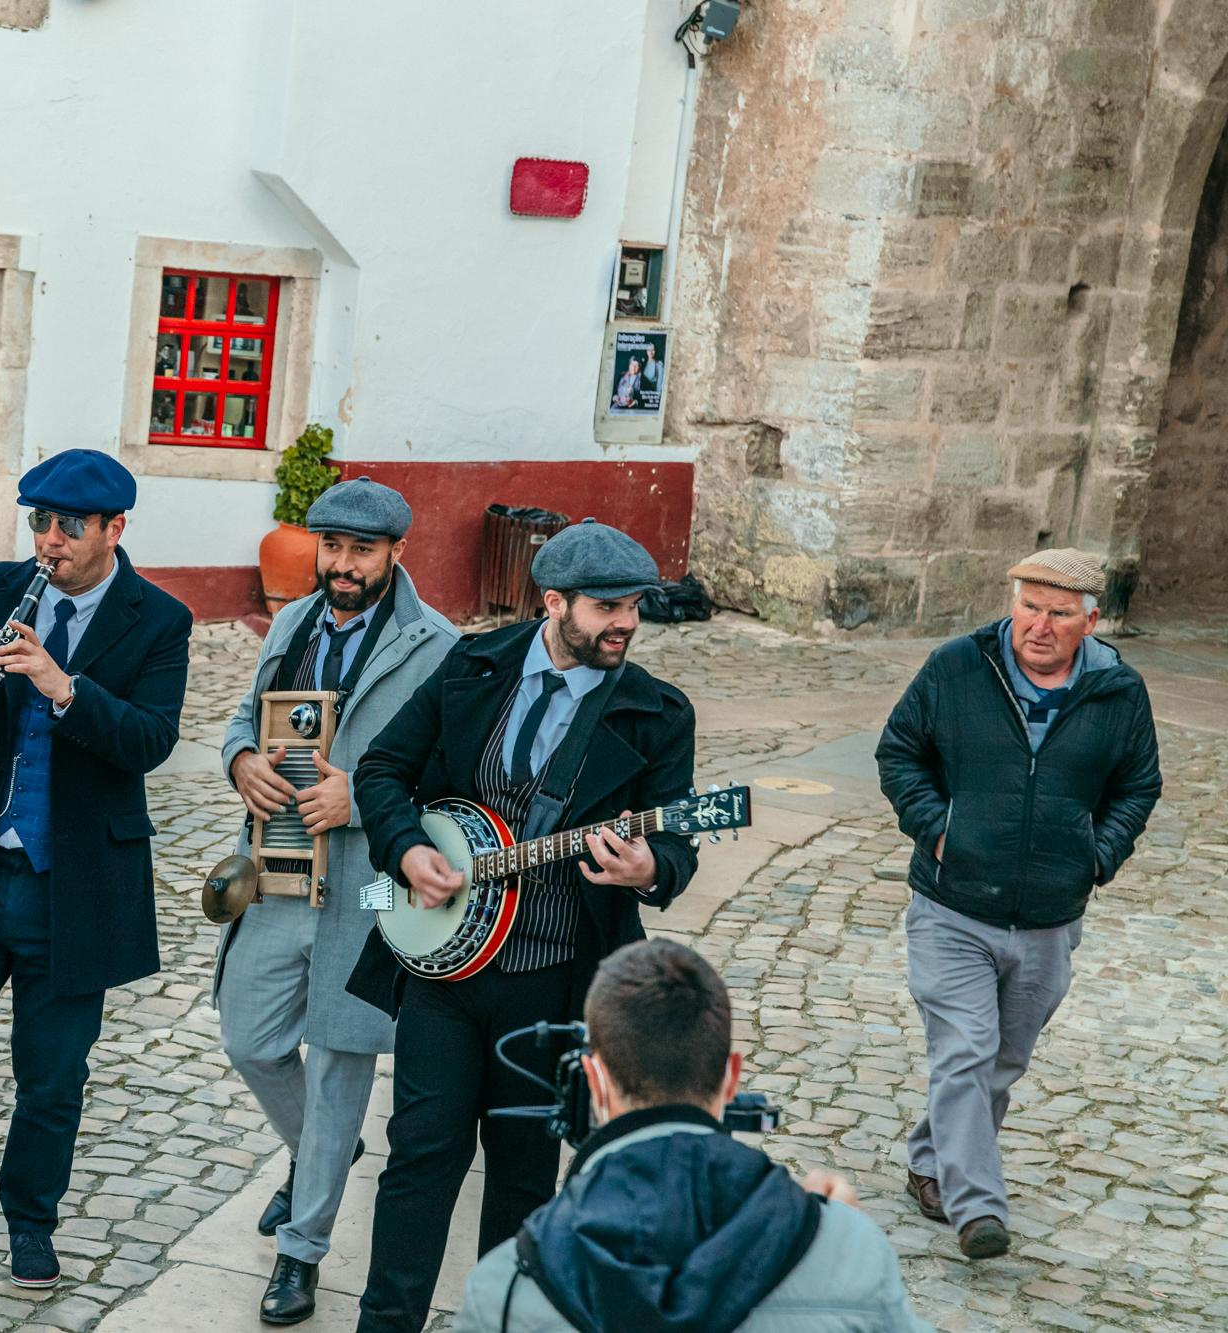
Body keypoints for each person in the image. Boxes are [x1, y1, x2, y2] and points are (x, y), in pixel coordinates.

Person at [348, 519, 701, 1333]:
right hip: (443, 971)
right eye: (607, 605)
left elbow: (676, 839)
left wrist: (650, 869)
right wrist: (404, 851)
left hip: (556, 981)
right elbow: (383, 770)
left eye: (635, 606)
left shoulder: (656, 714)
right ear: (554, 601)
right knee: (420, 1159)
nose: (626, 622)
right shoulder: (472, 664)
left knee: (522, 1175)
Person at [0, 449, 193, 1289]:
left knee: (52, 1077)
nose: (49, 541)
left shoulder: (158, 619)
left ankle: (32, 1220)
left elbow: (150, 740)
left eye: (69, 526)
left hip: (75, 887)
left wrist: (64, 688)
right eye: (39, 522)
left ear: (114, 530)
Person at [876, 548, 1161, 1259]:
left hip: (1049, 919)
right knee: (966, 1047)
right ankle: (977, 1207)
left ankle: (928, 1160)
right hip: (953, 907)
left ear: (1090, 619)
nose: (1039, 624)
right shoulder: (956, 668)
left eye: (1059, 613)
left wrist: (1095, 856)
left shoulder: (1118, 691)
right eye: (1029, 606)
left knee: (997, 1061)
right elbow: (899, 751)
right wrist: (940, 832)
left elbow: (1138, 785)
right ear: (1013, 603)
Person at [219, 478, 459, 1325]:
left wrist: (357, 799)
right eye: (332, 547)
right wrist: (242, 758)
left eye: (361, 549)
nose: (343, 564)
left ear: (397, 551)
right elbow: (243, 723)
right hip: (280, 873)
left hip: (366, 884)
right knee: (250, 1037)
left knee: (341, 1064)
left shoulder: (437, 647)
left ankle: (302, 1250)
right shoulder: (290, 624)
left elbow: (452, 782)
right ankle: (321, 1152)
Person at [455, 940, 931, 1333]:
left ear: (595, 1083)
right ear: (731, 1078)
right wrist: (842, 1236)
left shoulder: (505, 1286)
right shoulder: (846, 1249)